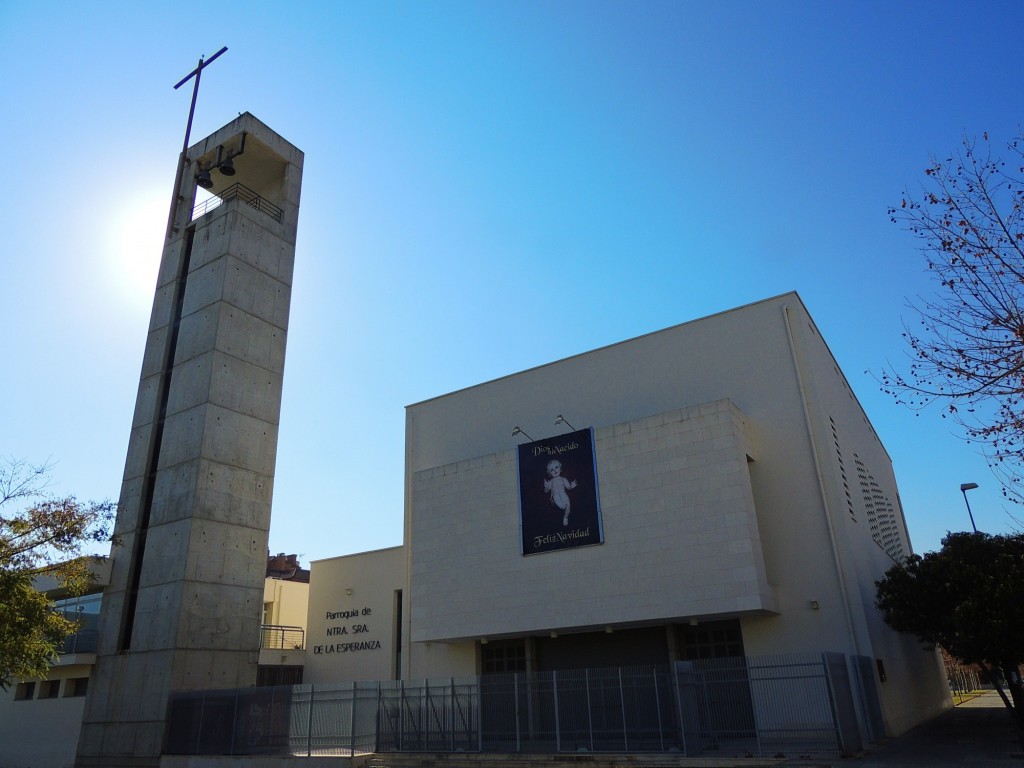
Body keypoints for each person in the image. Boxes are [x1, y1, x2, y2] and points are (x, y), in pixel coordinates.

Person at [544, 459, 578, 526]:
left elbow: (568, 488)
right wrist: (546, 486)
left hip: (563, 494)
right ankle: (561, 505)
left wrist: (572, 486)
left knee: (567, 502)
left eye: (556, 467)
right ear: (549, 473)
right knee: (556, 496)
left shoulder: (563, 479)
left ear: (560, 468)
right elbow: (546, 491)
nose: (554, 470)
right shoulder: (551, 481)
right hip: (554, 497)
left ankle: (565, 517)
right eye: (552, 470)